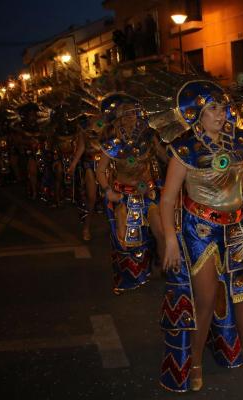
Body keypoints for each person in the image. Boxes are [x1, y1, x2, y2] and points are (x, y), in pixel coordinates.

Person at [159, 80, 243, 392]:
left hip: (235, 227)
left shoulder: (238, 141)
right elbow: (168, 200)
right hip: (200, 231)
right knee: (206, 299)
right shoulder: (184, 149)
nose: (221, 113)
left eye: (223, 107)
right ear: (196, 114)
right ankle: (194, 361)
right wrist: (171, 239)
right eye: (213, 108)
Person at [95, 93, 166, 293]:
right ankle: (128, 276)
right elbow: (100, 170)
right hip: (123, 196)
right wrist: (108, 191)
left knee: (161, 232)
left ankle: (165, 268)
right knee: (125, 241)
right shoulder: (112, 142)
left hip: (148, 193)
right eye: (125, 114)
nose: (130, 117)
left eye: (133, 113)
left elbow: (164, 157)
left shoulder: (148, 136)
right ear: (118, 118)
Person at [68, 114, 104, 241]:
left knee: (112, 199)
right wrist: (73, 164)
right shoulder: (84, 126)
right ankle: (86, 228)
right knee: (92, 198)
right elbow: (81, 147)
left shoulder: (108, 122)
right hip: (89, 164)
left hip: (106, 164)